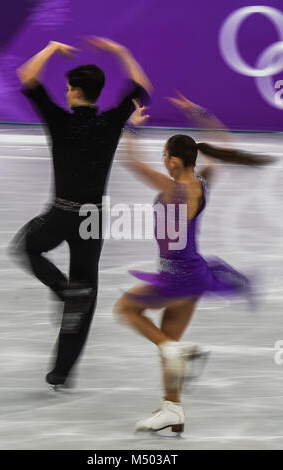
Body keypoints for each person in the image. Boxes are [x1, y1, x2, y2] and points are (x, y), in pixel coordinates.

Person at [114, 94, 272, 434]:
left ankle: (175, 351)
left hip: (175, 277)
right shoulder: (201, 184)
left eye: (165, 155)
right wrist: (200, 113)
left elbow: (130, 162)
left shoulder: (172, 190)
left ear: (172, 161)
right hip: (195, 275)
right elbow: (224, 144)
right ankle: (173, 408)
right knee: (167, 340)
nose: (163, 160)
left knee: (126, 310)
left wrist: (133, 127)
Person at [9, 37, 152, 388]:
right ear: (97, 93)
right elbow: (143, 87)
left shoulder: (59, 121)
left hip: (61, 213)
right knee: (85, 291)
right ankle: (62, 372)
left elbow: (25, 74)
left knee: (27, 247)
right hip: (93, 219)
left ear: (73, 91)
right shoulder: (110, 122)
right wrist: (121, 51)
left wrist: (51, 48)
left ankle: (62, 289)